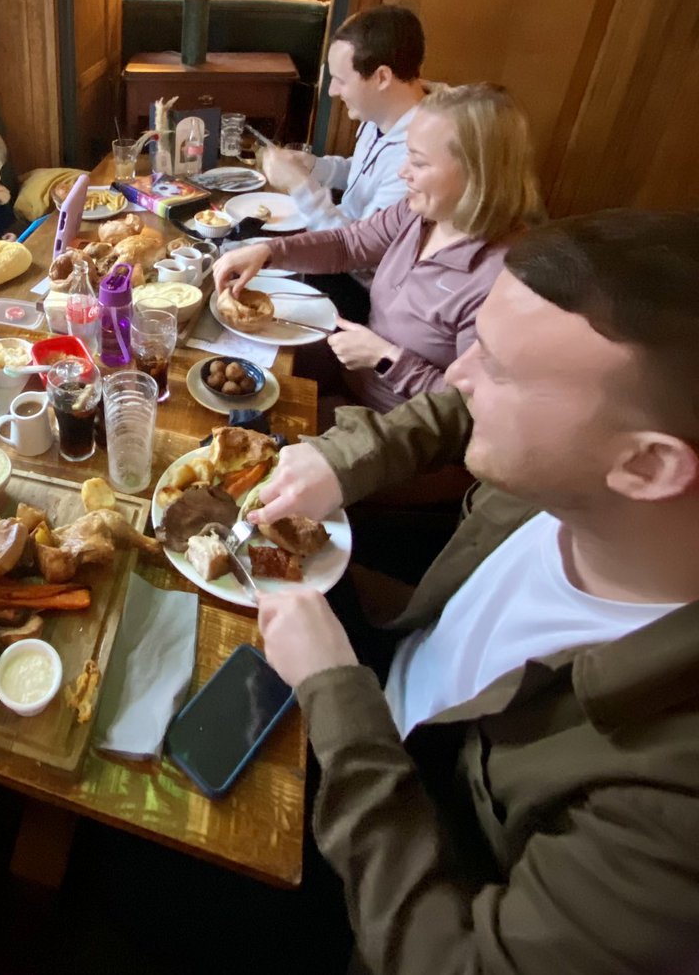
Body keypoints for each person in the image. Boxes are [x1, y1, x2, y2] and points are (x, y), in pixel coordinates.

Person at [252, 209, 699, 973]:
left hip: (396, 845)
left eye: (496, 365)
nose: (458, 371)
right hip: (382, 687)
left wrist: (335, 694)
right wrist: (345, 460)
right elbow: (455, 407)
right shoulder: (585, 478)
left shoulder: (668, 806)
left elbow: (451, 958)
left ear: (650, 468)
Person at [214, 83, 544, 416]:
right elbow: (348, 243)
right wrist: (268, 252)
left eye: (418, 163)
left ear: (477, 173)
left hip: (396, 429)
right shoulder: (420, 213)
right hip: (350, 385)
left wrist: (386, 359)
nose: (403, 173)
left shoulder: (502, 281)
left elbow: (475, 409)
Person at [264, 4, 428, 236]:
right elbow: (363, 174)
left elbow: (360, 251)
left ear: (382, 78)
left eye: (341, 79)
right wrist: (315, 167)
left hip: (355, 266)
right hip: (335, 239)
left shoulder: (418, 159)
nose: (332, 91)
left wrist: (300, 186)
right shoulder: (380, 112)